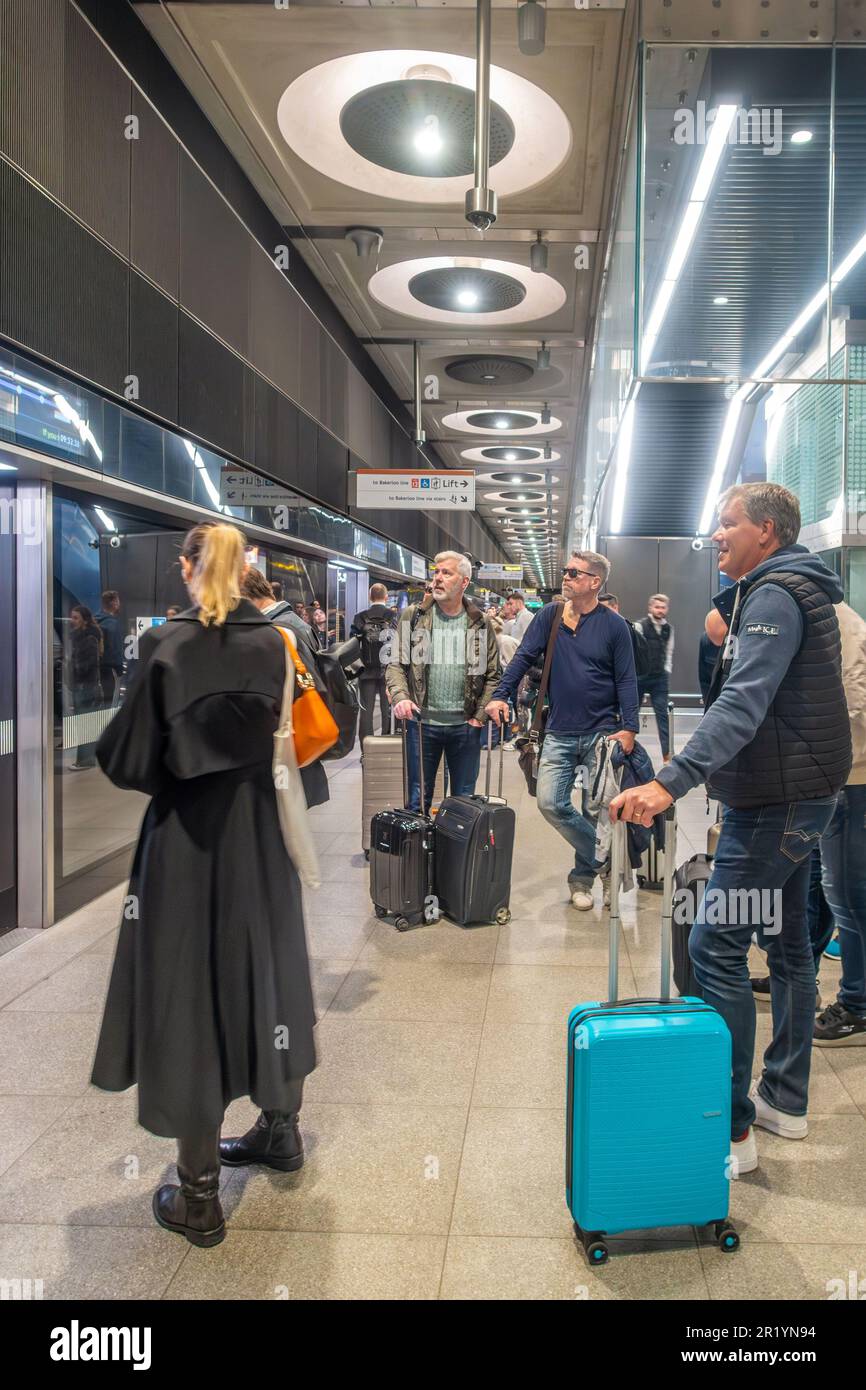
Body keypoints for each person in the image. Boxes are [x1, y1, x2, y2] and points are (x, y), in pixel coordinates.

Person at [609, 482, 851, 1175]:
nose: (716, 536)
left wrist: (670, 779)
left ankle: (731, 1130)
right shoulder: (782, 589)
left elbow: (742, 704)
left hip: (776, 802)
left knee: (715, 946)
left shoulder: (775, 595)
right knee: (790, 946)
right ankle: (785, 1099)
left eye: (727, 524)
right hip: (796, 791)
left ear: (767, 531)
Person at [91, 522, 317, 1248]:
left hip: (187, 843)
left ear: (190, 568)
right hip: (261, 836)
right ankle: (280, 1132)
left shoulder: (166, 646)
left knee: (189, 993)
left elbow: (125, 758)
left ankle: (198, 1197)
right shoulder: (273, 643)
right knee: (270, 975)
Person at [486, 552, 639, 910]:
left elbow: (627, 679)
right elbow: (523, 657)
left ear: (595, 582)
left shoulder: (615, 627)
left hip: (602, 733)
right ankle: (608, 860)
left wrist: (630, 727)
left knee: (592, 809)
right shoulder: (550, 616)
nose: (565, 577)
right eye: (566, 571)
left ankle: (582, 881)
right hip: (557, 730)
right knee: (551, 802)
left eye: (573, 572)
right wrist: (499, 695)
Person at [386, 551, 500, 813]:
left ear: (464, 582)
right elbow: (396, 664)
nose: (437, 578)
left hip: (466, 726)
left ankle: (455, 854)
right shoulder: (414, 616)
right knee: (417, 800)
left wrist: (479, 717)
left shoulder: (479, 622)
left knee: (464, 803)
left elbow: (493, 674)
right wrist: (401, 696)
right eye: (435, 572)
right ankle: (420, 853)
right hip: (422, 724)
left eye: (446, 573)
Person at [240, 566, 330, 810]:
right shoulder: (293, 623)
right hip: (295, 751)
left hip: (290, 749)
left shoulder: (281, 629)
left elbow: (308, 685)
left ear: (247, 598)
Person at [351, 582, 395, 742]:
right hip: (388, 670)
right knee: (387, 709)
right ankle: (385, 742)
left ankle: (366, 747)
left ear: (370, 597)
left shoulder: (360, 617)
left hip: (366, 671)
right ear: (386, 597)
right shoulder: (393, 616)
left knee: (366, 711)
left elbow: (353, 645)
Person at [634, 594, 674, 761]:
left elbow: (669, 651)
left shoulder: (669, 629)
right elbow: (635, 651)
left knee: (662, 715)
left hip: (659, 678)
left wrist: (666, 670)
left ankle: (667, 754)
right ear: (650, 608)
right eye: (657, 607)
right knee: (632, 713)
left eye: (663, 607)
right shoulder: (640, 626)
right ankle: (626, 750)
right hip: (640, 676)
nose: (660, 610)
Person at [67, 604, 103, 769]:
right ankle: (85, 759)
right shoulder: (80, 637)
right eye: (72, 617)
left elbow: (86, 665)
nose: (72, 621)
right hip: (83, 686)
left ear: (85, 620)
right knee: (84, 723)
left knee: (85, 724)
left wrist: (74, 673)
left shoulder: (88, 639)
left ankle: (85, 760)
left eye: (75, 618)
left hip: (86, 686)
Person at [95, 590, 124, 707]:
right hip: (109, 670)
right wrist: (119, 668)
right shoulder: (112, 623)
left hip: (94, 671)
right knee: (110, 705)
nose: (119, 604)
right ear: (114, 603)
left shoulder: (94, 619)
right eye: (118, 601)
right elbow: (114, 649)